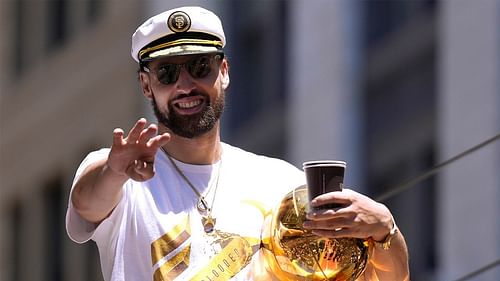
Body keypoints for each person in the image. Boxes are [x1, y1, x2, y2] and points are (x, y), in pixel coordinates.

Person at [66, 6, 409, 281]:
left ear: (225, 71)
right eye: (167, 74)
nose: (185, 85)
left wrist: (384, 230)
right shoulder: (123, 179)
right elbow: (87, 204)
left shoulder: (280, 184)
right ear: (146, 85)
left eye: (200, 67)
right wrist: (113, 169)